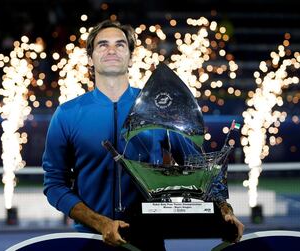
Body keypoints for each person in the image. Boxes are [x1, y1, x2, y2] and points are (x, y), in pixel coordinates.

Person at [42, 19, 244, 250]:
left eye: (120, 45)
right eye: (102, 45)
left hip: (149, 238)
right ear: (89, 58)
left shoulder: (159, 107)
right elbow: (55, 184)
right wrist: (100, 223)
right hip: (90, 239)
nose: (111, 50)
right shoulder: (67, 114)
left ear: (130, 57)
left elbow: (200, 171)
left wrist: (226, 212)